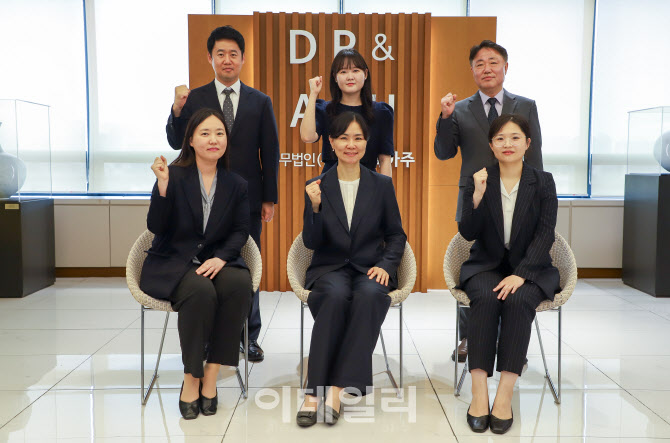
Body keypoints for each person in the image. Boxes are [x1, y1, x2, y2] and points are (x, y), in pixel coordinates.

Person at [166, 25, 280, 362]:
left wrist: (269, 197)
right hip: (201, 197)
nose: (227, 60)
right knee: (203, 266)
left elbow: (270, 152)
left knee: (247, 266)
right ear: (210, 58)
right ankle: (206, 337)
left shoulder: (260, 101)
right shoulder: (194, 98)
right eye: (220, 54)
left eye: (233, 54)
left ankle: (249, 336)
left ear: (242, 59)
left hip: (246, 198)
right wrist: (176, 110)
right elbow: (175, 141)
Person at [434, 40, 544, 363]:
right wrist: (445, 118)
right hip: (476, 202)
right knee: (475, 270)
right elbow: (443, 152)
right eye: (479, 64)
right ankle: (469, 338)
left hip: (518, 202)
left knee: (515, 269)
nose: (487, 69)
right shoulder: (459, 109)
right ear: (471, 70)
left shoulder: (526, 105)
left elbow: (535, 157)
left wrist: (536, 200)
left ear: (505, 67)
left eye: (493, 62)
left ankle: (512, 341)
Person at [141, 108, 253, 420]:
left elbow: (240, 231)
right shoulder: (173, 175)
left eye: (219, 133)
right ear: (190, 140)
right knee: (200, 291)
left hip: (215, 259)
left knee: (239, 284)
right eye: (205, 133)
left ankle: (212, 373)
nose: (213, 139)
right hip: (173, 261)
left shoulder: (236, 184)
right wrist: (162, 187)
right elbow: (156, 227)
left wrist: (221, 257)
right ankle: (192, 376)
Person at [297, 112, 406, 427]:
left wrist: (386, 265)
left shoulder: (381, 184)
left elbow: (396, 235)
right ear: (331, 142)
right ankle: (313, 394)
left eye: (358, 138)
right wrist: (315, 207)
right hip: (330, 268)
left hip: (369, 268)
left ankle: (335, 390)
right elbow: (311, 241)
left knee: (370, 297)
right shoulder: (316, 185)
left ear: (366, 143)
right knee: (333, 297)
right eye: (343, 138)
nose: (351, 144)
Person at [458, 114, 559, 434]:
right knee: (486, 299)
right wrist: (476, 195)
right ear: (491, 145)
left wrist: (522, 274)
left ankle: (503, 396)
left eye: (515, 138)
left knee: (518, 301)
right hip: (486, 265)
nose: (507, 144)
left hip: (531, 268)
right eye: (500, 138)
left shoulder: (543, 182)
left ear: (527, 144)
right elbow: (468, 232)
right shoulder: (479, 178)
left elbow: (545, 233)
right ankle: (478, 394)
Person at [300, 48, 394, 177]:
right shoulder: (326, 109)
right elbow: (307, 137)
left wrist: (385, 189)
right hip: (331, 181)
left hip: (368, 182)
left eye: (355, 70)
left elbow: (385, 159)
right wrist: (313, 94)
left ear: (365, 74)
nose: (350, 77)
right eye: (343, 72)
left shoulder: (381, 112)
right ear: (335, 77)